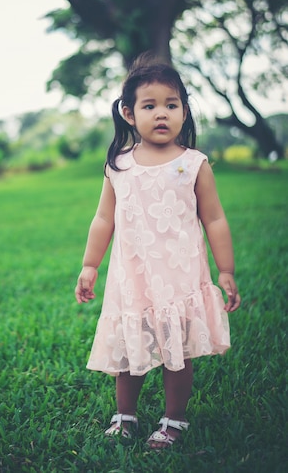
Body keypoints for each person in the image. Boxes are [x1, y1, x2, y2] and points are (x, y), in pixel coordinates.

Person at [75, 60, 241, 450]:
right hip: (133, 280)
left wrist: (226, 270)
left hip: (179, 278)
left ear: (184, 110)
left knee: (177, 353)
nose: (162, 113)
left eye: (172, 104)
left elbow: (214, 219)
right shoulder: (119, 165)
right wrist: (89, 264)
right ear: (129, 114)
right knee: (131, 350)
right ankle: (125, 415)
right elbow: (103, 219)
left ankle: (173, 419)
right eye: (150, 105)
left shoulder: (193, 164)